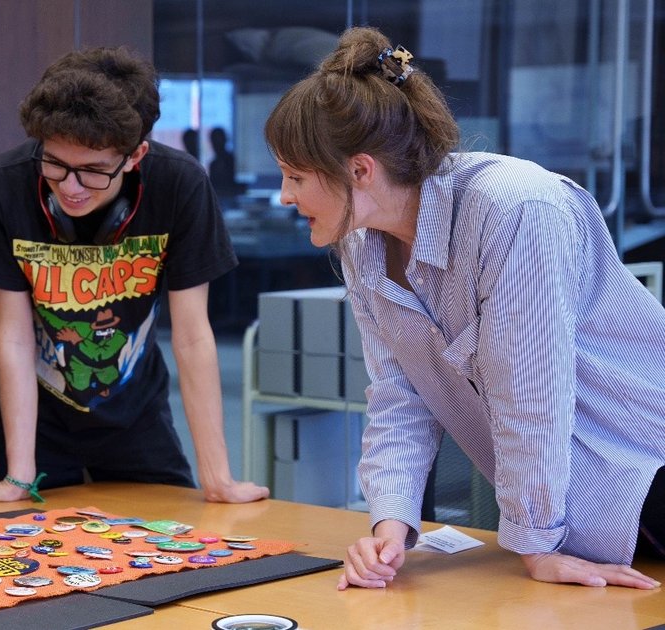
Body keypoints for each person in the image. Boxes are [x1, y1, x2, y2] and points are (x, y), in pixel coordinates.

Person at [264, 26, 665, 590]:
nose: (284, 196)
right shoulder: (360, 244)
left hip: (642, 463)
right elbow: (399, 396)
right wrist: (390, 523)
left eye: (295, 176)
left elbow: (529, 394)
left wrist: (535, 543)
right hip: (581, 520)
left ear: (359, 170)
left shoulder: (516, 209)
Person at [0, 47, 267, 504]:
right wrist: (19, 476)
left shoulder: (180, 185)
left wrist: (217, 477)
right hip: (34, 410)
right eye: (55, 164)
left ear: (135, 154)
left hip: (135, 406)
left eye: (94, 171)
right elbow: (15, 337)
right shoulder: (2, 185)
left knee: (170, 540)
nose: (70, 187)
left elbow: (192, 335)